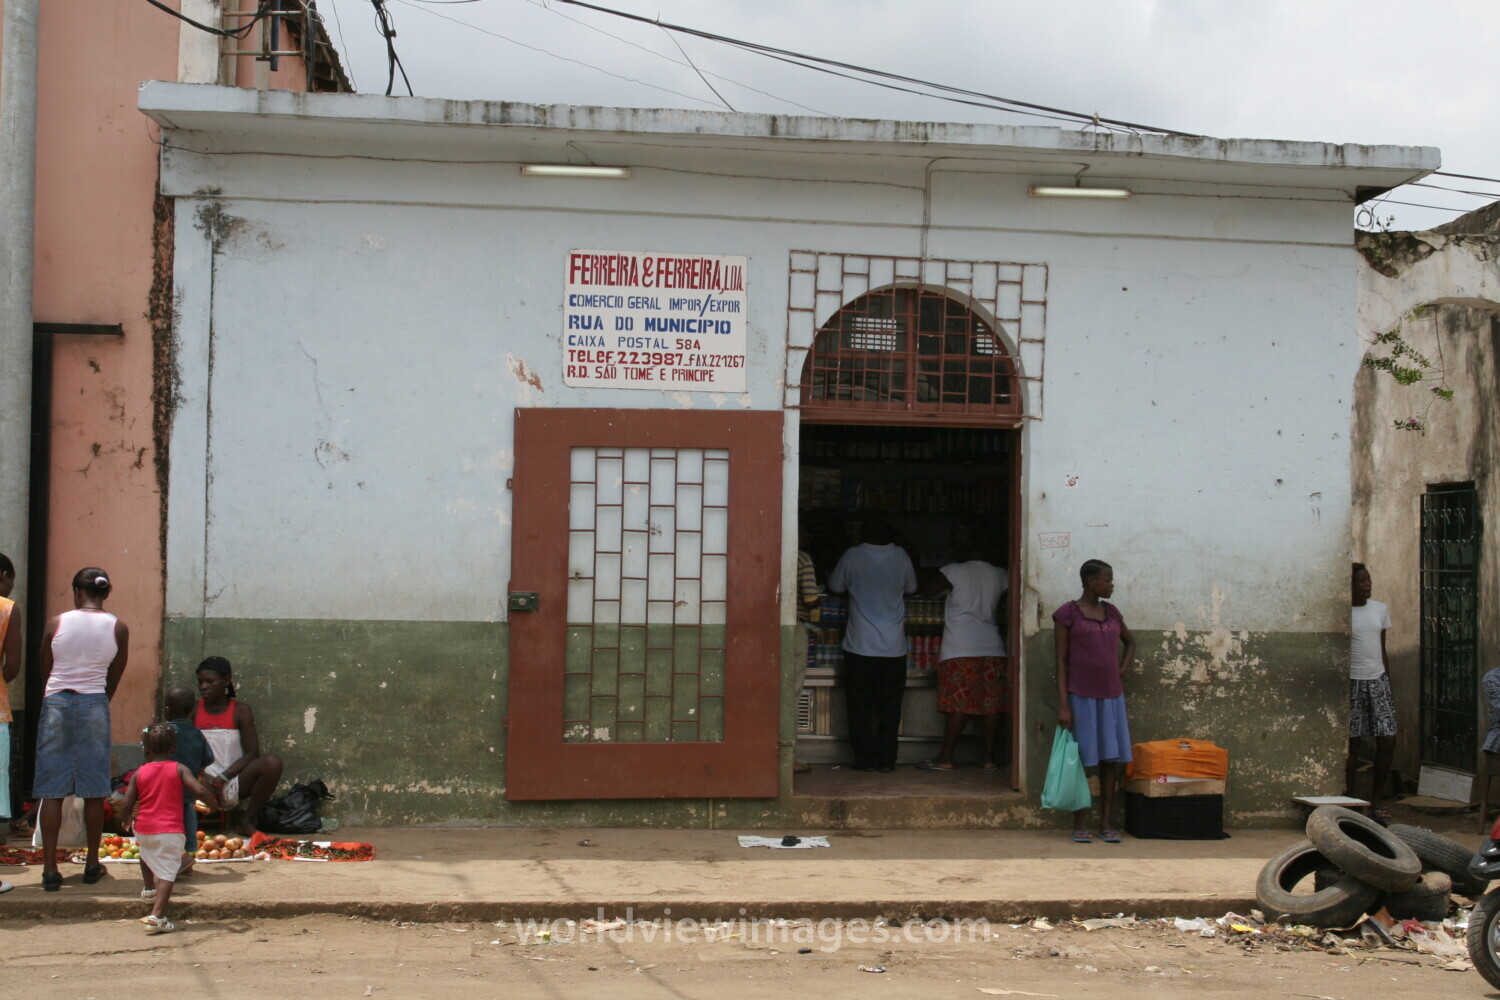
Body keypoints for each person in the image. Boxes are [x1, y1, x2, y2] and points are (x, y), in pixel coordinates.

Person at [36, 567, 129, 891]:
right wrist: (96, 702)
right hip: (94, 704)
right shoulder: (118, 627)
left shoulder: (56, 623)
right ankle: (92, 863)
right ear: (106, 593)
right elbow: (113, 677)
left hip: (57, 703)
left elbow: (45, 669)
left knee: (52, 789)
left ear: (77, 591)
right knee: (94, 789)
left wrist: (56, 697)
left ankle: (50, 869)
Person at [1054, 559, 1135, 843]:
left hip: (1111, 696)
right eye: (1107, 579)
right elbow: (1061, 662)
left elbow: (1131, 642)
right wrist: (1064, 704)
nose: (1111, 585)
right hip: (1080, 695)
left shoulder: (1111, 613)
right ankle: (1080, 822)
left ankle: (1106, 822)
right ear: (1091, 581)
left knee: (1109, 760)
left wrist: (1122, 669)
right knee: (1080, 759)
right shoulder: (1068, 614)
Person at [828, 519, 917, 772]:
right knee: (890, 708)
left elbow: (835, 586)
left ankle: (865, 760)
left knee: (859, 707)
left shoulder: (852, 556)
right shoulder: (901, 556)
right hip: (893, 647)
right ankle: (887, 759)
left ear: (863, 533)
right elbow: (912, 588)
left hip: (859, 646)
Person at [917, 539, 1009, 771]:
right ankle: (987, 758)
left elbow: (926, 590)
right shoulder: (1001, 574)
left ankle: (946, 757)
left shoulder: (953, 570)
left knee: (958, 704)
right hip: (992, 647)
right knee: (991, 705)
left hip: (959, 647)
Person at [119, 723, 219, 934]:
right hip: (169, 829)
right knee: (168, 871)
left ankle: (149, 890)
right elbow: (199, 789)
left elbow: (127, 803)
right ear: (173, 748)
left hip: (143, 827)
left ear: (146, 749)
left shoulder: (139, 772)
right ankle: (157, 916)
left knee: (146, 854)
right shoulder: (179, 769)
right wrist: (213, 804)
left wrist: (126, 819)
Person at [195, 656, 284, 835]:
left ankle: (246, 821)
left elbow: (252, 753)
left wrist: (224, 777)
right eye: (200, 682)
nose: (203, 686)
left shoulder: (240, 711)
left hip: (232, 780)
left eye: (210, 681)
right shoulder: (194, 709)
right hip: (201, 782)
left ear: (226, 680)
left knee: (272, 762)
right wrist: (202, 777)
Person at [1347, 562, 1396, 822]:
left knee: (1387, 739)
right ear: (1350, 585)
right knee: (1353, 743)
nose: (1368, 585)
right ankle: (1349, 798)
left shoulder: (1379, 610)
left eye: (1369, 580)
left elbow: (1382, 647)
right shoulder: (1343, 613)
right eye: (1362, 581)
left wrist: (1386, 681)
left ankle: (1376, 801)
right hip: (1353, 681)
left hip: (1377, 680)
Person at [164, 685, 212, 874]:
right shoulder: (196, 734)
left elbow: (148, 753)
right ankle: (188, 854)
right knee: (188, 821)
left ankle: (178, 858)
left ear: (166, 711)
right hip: (187, 790)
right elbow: (206, 759)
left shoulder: (161, 732)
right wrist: (198, 775)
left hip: (165, 790)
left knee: (169, 825)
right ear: (193, 710)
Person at [793, 531, 821, 775]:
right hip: (792, 628)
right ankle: (787, 757)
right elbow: (810, 597)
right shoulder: (802, 559)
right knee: (791, 694)